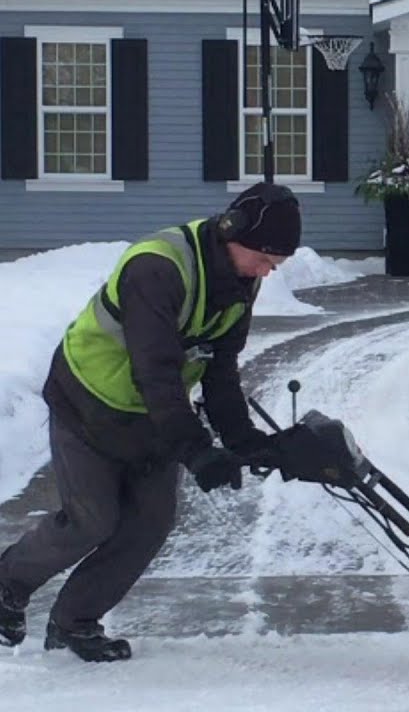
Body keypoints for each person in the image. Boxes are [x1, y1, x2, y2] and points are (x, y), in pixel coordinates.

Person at [0, 182, 301, 662]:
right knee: (92, 519)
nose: (266, 271)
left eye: (274, 265)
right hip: (88, 400)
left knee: (150, 523)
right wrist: (196, 450)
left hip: (149, 415)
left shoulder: (242, 280)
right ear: (231, 232)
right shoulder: (157, 267)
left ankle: (74, 622)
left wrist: (242, 439)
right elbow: (155, 370)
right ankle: (7, 583)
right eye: (264, 259)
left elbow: (221, 368)